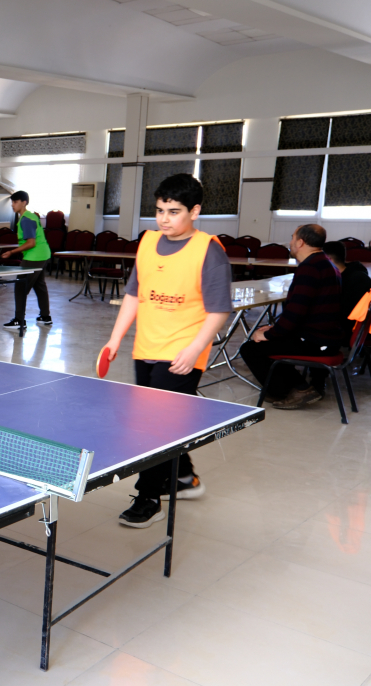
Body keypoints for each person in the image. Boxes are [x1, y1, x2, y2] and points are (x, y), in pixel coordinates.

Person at [101, 174, 232, 528]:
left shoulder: (209, 250)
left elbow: (219, 309)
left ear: (194, 211)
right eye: (160, 210)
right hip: (145, 347)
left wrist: (195, 349)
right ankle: (184, 477)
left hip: (182, 353)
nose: (164, 219)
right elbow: (134, 294)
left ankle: (148, 499)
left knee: (152, 426)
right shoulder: (147, 242)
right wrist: (115, 339)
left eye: (174, 212)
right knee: (165, 422)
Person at [239, 224, 343, 409]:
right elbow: (302, 312)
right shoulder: (326, 263)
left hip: (315, 340)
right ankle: (288, 388)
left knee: (251, 348)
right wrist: (275, 330)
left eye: (292, 238)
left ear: (300, 242)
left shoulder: (310, 268)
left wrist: (269, 334)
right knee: (273, 340)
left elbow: (296, 313)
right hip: (326, 337)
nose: (290, 242)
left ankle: (296, 389)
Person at [0, 190, 51, 330]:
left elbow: (31, 243)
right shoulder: (29, 216)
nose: (13, 205)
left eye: (15, 202)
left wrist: (11, 252)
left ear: (24, 203)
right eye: (12, 202)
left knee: (21, 287)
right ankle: (45, 317)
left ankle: (19, 320)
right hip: (43, 254)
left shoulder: (26, 219)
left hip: (34, 257)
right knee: (39, 286)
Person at [323, 241, 371, 340]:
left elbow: (346, 317)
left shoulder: (355, 281)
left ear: (329, 260)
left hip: (346, 332)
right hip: (349, 330)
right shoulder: (350, 276)